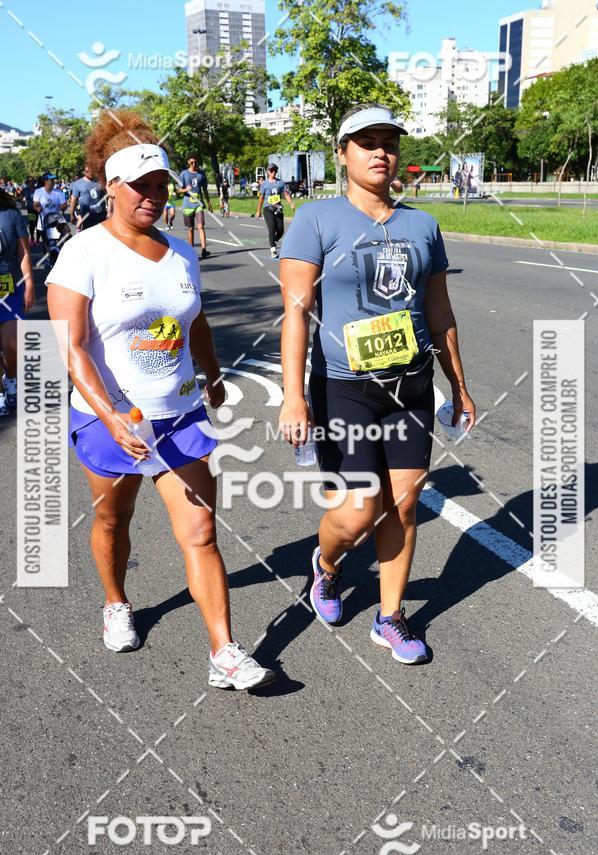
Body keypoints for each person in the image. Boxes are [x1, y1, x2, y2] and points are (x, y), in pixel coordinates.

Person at [46, 110, 274, 691]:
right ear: (111, 187)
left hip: (180, 417)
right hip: (109, 420)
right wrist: (111, 415)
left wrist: (214, 375)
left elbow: (194, 321)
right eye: (140, 186)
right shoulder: (83, 253)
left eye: (161, 185)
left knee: (200, 531)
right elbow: (71, 348)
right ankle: (116, 602)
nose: (153, 196)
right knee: (110, 519)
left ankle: (224, 652)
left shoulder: (181, 254)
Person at [278, 103, 476, 665]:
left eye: (389, 142)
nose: (381, 152)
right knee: (361, 509)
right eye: (367, 143)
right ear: (342, 154)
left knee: (406, 506)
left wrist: (458, 386)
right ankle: (328, 565)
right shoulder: (316, 219)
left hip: (410, 386)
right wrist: (294, 395)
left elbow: (440, 313)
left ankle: (390, 617)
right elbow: (296, 312)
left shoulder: (422, 226)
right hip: (343, 386)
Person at [0, 187, 35, 415]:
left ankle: (10, 378)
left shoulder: (11, 215)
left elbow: (23, 253)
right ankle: (1, 393)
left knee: (12, 345)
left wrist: (29, 284)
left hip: (9, 287)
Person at [255, 163, 295, 259]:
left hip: (278, 208)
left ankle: (274, 241)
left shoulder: (280, 182)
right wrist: (258, 211)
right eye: (272, 170)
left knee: (281, 230)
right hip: (268, 209)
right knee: (272, 228)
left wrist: (291, 203)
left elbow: (285, 194)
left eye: (275, 170)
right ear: (268, 172)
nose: (274, 172)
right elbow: (261, 198)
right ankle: (273, 250)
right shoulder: (264, 184)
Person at [178, 156, 212, 258]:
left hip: (199, 204)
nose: (194, 164)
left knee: (201, 226)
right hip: (188, 205)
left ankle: (204, 250)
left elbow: (205, 190)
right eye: (192, 162)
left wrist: (209, 203)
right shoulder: (184, 174)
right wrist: (185, 190)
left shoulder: (201, 174)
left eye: (196, 163)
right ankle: (191, 251)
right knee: (190, 229)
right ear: (188, 162)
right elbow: (179, 190)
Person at [69, 164, 107, 231]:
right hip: (87, 219)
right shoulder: (78, 184)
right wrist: (72, 215)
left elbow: (109, 195)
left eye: (91, 170)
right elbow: (73, 200)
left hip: (102, 217)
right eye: (87, 171)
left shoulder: (101, 181)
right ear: (84, 172)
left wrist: (110, 210)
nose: (90, 173)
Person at [21, 176, 38, 243]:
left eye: (33, 181)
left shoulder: (37, 189)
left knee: (38, 224)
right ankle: (32, 237)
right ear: (28, 182)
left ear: (34, 182)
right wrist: (21, 201)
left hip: (38, 209)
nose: (31, 182)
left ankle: (38, 239)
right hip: (30, 209)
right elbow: (21, 197)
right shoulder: (25, 189)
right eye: (30, 181)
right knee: (32, 223)